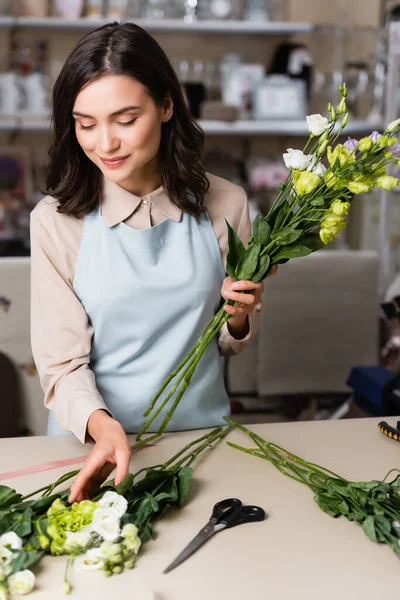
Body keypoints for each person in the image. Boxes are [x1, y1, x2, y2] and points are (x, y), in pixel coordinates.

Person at [30, 22, 272, 504]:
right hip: (90, 446)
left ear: (166, 106)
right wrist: (104, 429)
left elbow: (226, 345)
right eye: (86, 123)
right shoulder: (56, 221)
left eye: (125, 119)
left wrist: (240, 317)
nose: (105, 144)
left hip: (200, 443)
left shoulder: (227, 204)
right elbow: (60, 365)